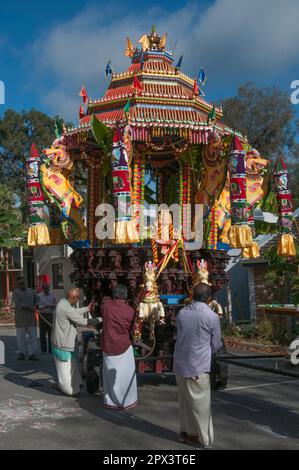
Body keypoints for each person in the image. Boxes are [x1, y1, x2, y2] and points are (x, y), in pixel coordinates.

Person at [174, 283, 222, 448]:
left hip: (180, 365)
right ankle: (202, 438)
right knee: (201, 405)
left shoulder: (182, 313)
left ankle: (185, 434)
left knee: (185, 403)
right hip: (198, 366)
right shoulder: (211, 317)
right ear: (209, 298)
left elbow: (181, 335)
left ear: (192, 295)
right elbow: (216, 344)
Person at [51, 287, 100, 397]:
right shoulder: (65, 307)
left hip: (67, 345)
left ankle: (75, 384)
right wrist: (99, 320)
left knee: (72, 366)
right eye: (78, 299)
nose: (78, 301)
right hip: (62, 346)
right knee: (66, 373)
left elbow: (73, 312)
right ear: (74, 297)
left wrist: (87, 309)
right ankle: (64, 387)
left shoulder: (64, 303)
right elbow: (82, 321)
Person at [101, 284, 138, 410]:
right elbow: (133, 330)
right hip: (124, 345)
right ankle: (126, 401)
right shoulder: (130, 311)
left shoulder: (106, 307)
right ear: (126, 296)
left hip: (108, 345)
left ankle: (110, 401)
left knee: (109, 376)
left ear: (114, 294)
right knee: (125, 375)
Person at [12, 276, 39, 361]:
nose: (22, 285)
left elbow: (38, 300)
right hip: (21, 319)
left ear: (25, 283)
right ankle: (22, 353)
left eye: (23, 283)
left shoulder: (31, 291)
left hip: (31, 318)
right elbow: (19, 304)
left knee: (33, 337)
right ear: (18, 285)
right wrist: (30, 307)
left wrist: (35, 306)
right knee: (21, 338)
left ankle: (32, 354)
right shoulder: (15, 293)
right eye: (20, 284)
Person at [38, 283, 56, 354]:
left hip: (50, 314)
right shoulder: (39, 296)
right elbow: (38, 306)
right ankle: (43, 350)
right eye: (45, 288)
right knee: (42, 333)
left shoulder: (52, 295)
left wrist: (51, 306)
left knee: (50, 333)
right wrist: (44, 307)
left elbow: (55, 305)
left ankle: (51, 349)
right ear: (43, 289)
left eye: (48, 288)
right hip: (42, 315)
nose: (47, 290)